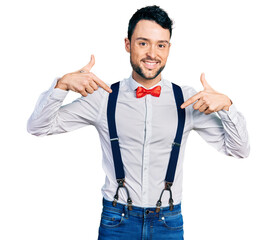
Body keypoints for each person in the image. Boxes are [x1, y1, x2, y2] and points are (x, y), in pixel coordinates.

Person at [27, 5, 250, 240]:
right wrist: (61, 86)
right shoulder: (103, 97)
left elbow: (239, 150)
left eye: (160, 45)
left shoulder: (186, 99)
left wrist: (227, 106)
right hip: (117, 220)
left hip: (169, 222)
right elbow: (38, 127)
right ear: (127, 44)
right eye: (143, 43)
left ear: (168, 48)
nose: (152, 54)